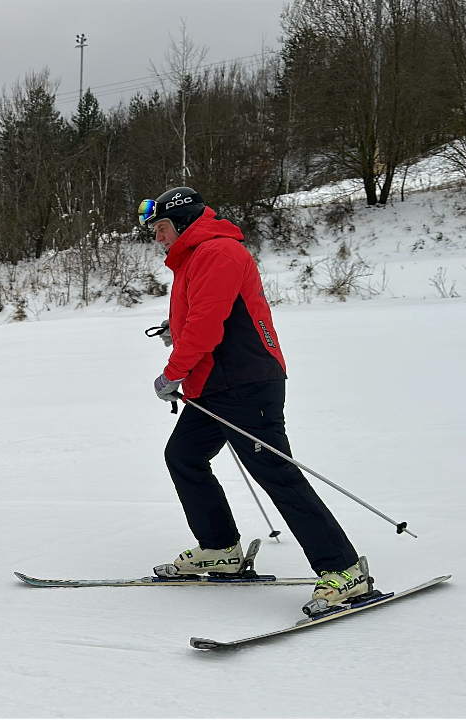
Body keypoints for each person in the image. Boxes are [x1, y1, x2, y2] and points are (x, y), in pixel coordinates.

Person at [137, 187, 370, 614]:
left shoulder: (217, 252)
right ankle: (220, 549)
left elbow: (207, 325)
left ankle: (344, 570)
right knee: (184, 456)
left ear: (184, 222)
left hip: (245, 382)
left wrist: (173, 372)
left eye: (162, 227)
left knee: (277, 474)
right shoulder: (195, 257)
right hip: (214, 385)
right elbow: (204, 313)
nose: (158, 237)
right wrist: (176, 329)